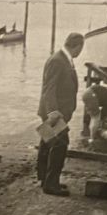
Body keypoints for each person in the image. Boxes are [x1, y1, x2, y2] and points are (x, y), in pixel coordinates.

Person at [37, 32, 85, 196]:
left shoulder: (64, 59)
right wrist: (53, 111)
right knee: (60, 144)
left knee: (46, 141)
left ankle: (44, 178)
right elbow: (49, 88)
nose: (81, 52)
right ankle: (51, 184)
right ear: (77, 46)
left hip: (56, 111)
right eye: (81, 48)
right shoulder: (58, 61)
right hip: (54, 113)